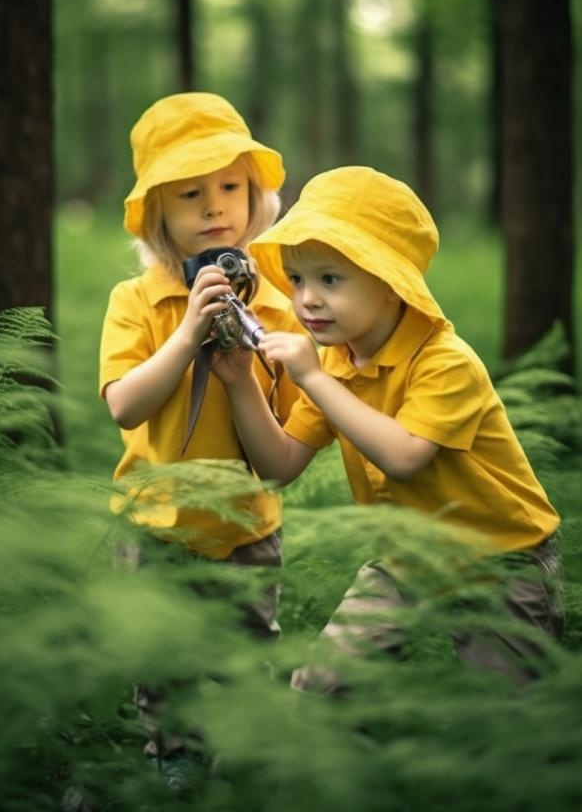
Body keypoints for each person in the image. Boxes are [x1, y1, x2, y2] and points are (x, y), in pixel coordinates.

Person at [214, 165, 565, 690]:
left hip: (499, 562)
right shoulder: (338, 362)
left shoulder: (445, 362)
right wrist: (241, 383)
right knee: (322, 684)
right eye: (297, 279)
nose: (307, 298)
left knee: (509, 715)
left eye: (330, 279)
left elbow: (403, 458)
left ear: (391, 284)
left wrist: (308, 376)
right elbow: (280, 465)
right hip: (406, 559)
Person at [98, 92, 304, 779]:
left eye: (230, 188)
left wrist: (240, 371)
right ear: (158, 214)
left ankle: (250, 755)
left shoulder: (277, 303)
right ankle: (176, 756)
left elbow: (274, 442)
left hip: (245, 526)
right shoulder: (136, 301)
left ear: (255, 198)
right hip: (157, 524)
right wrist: (187, 333)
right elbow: (126, 406)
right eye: (190, 194)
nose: (215, 206)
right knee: (161, 656)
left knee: (247, 647)